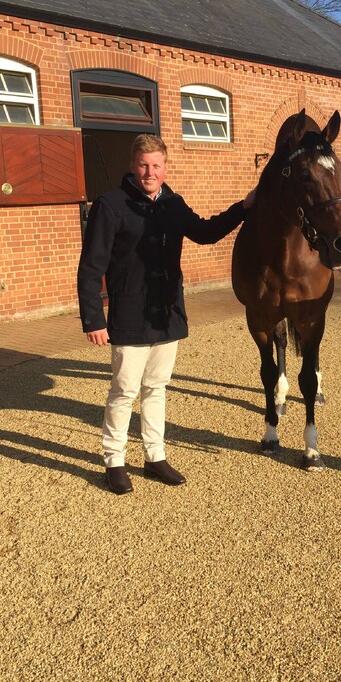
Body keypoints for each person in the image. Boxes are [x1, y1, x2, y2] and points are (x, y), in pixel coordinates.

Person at [78, 133, 256, 495]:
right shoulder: (110, 205)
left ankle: (154, 455)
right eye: (143, 164)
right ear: (132, 166)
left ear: (165, 167)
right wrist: (94, 319)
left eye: (156, 165)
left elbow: (206, 232)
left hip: (166, 313)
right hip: (128, 314)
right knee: (124, 392)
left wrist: (243, 207)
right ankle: (114, 460)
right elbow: (90, 266)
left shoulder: (173, 204)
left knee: (156, 388)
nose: (150, 172)